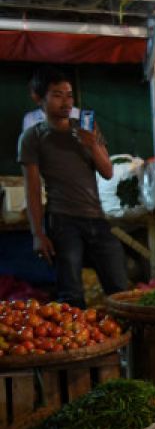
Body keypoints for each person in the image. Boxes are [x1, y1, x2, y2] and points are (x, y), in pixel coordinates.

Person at [18, 67, 128, 308]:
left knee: (120, 291)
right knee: (71, 296)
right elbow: (33, 189)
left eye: (69, 95)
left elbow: (108, 172)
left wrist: (93, 146)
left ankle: (129, 345)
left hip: (96, 218)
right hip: (62, 221)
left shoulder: (87, 128)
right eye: (57, 95)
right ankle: (81, 344)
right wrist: (37, 234)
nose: (66, 102)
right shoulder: (32, 138)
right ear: (38, 97)